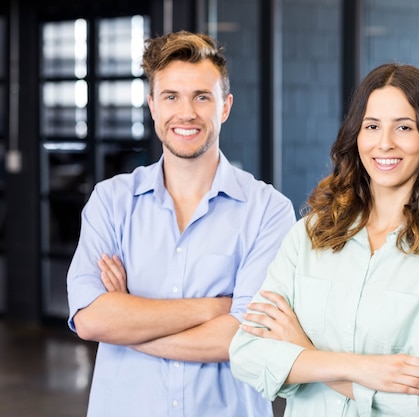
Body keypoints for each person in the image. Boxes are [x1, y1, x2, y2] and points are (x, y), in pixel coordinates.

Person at [66, 31, 295, 417]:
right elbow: (91, 318)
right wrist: (212, 309)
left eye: (201, 97)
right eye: (171, 96)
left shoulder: (269, 211)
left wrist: (128, 326)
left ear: (225, 107)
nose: (185, 113)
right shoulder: (111, 201)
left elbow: (242, 337)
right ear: (153, 106)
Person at [229, 62, 419, 417]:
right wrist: (365, 369)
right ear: (356, 136)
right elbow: (248, 355)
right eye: (372, 126)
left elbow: (416, 402)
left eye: (404, 127)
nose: (384, 143)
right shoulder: (309, 236)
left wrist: (303, 353)